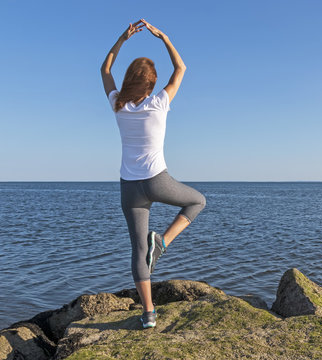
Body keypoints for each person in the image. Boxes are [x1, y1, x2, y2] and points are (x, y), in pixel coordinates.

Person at [100, 19, 206, 329]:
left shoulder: (118, 105)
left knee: (137, 250)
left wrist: (122, 38)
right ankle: (163, 242)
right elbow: (181, 68)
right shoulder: (159, 103)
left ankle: (148, 314)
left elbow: (105, 70)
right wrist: (164, 37)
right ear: (152, 82)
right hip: (157, 180)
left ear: (129, 79)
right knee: (197, 201)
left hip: (129, 187)